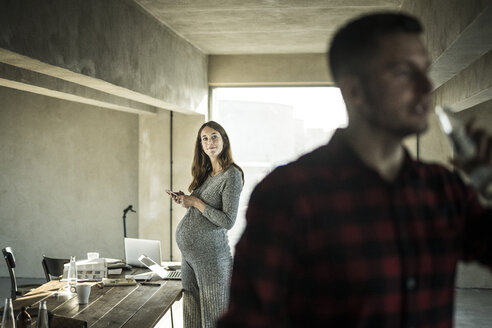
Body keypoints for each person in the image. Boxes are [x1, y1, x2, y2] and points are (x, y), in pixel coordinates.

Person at [218, 12, 492, 328]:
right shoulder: (289, 193)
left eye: (425, 71)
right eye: (404, 72)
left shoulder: (443, 188)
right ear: (354, 91)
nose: (427, 86)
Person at [169, 121, 243, 328]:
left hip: (212, 259)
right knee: (191, 315)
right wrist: (187, 200)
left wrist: (196, 202)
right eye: (204, 138)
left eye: (214, 137)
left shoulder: (232, 175)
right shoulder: (207, 175)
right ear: (200, 145)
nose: (209, 142)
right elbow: (203, 212)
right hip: (190, 257)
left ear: (224, 140)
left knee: (213, 319)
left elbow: (228, 221)